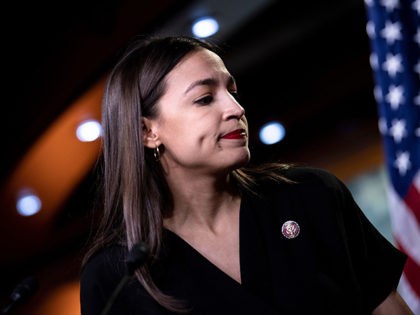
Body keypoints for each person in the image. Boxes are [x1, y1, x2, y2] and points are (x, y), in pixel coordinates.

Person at [79, 35, 413, 315]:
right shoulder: (113, 275)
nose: (236, 109)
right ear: (146, 131)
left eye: (232, 91)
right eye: (205, 98)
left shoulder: (311, 194)